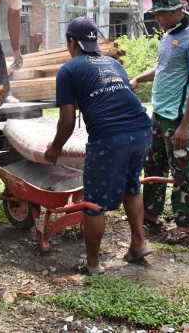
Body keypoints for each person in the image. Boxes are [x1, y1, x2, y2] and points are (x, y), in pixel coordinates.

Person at [44, 17, 153, 275]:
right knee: (131, 185)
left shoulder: (69, 69)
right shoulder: (114, 63)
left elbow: (67, 120)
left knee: (94, 202)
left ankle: (92, 263)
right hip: (141, 130)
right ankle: (138, 244)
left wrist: (55, 148)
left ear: (71, 43)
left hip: (109, 137)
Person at [129, 0, 189, 244]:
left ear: (178, 11)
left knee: (183, 169)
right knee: (153, 163)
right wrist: (140, 78)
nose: (158, 17)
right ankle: (151, 212)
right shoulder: (168, 37)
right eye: (156, 13)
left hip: (178, 117)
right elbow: (163, 66)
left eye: (162, 13)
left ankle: (185, 223)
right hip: (160, 112)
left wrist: (185, 126)